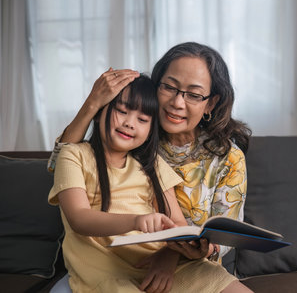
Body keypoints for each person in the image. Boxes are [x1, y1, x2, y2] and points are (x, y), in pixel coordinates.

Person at [48, 42, 252, 291]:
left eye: (194, 94)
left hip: (186, 263)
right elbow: (63, 161)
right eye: (169, 87)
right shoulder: (138, 142)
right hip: (108, 264)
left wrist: (171, 255)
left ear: (210, 103)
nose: (177, 102)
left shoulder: (228, 158)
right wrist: (93, 104)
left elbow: (215, 233)